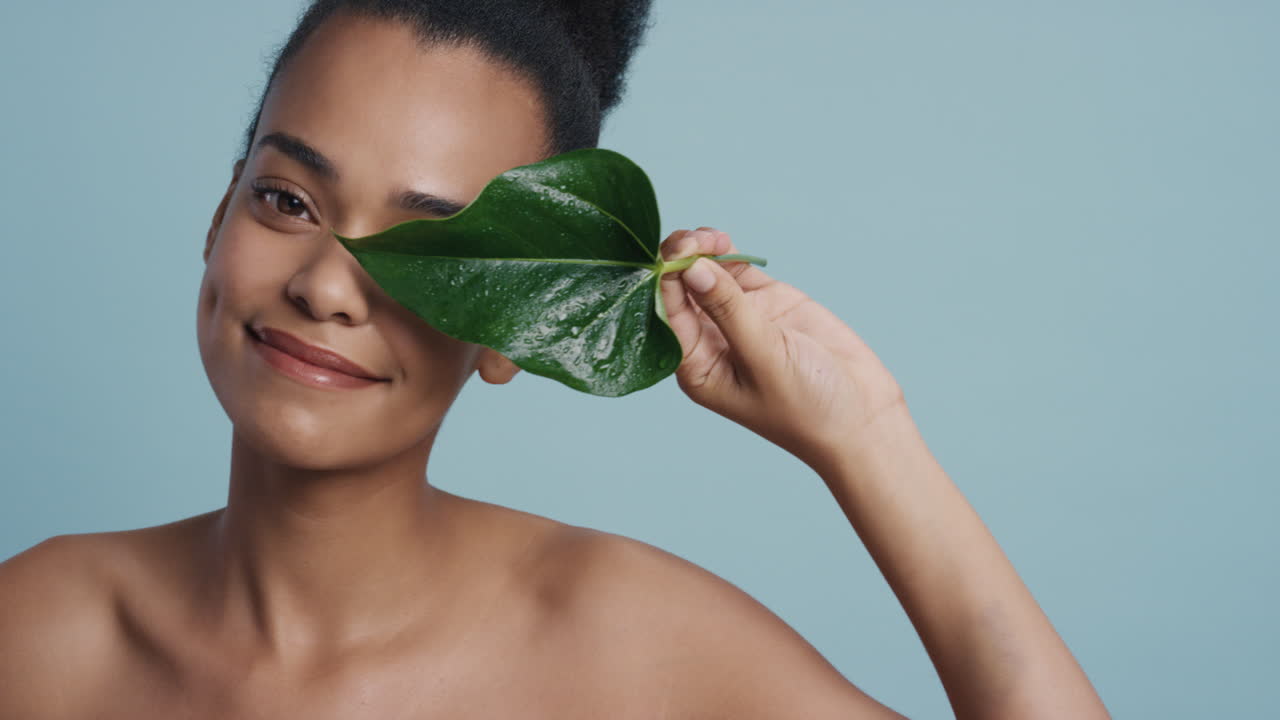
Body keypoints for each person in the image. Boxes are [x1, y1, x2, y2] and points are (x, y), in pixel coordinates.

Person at [0, 1, 1110, 717]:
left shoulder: (634, 647)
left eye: (432, 251)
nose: (326, 286)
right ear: (217, 214)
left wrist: (866, 439)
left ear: (519, 327)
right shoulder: (43, 629)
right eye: (286, 200)